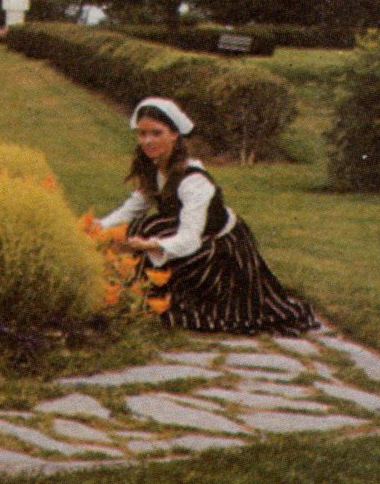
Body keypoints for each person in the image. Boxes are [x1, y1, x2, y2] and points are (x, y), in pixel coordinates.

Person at [97, 97, 318, 334]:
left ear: (174, 135)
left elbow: (190, 238)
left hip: (221, 249)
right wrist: (97, 227)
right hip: (188, 236)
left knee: (152, 232)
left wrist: (151, 245)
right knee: (143, 225)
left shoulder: (194, 181)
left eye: (156, 133)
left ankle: (172, 296)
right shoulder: (155, 169)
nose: (148, 140)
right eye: (142, 134)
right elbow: (132, 209)